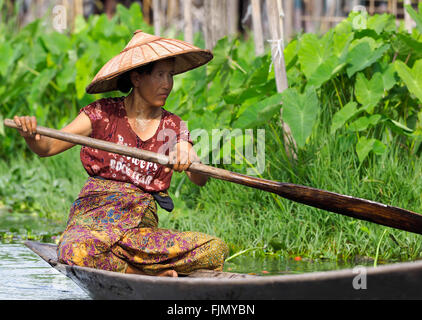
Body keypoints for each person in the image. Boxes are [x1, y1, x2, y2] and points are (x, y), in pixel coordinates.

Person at [13, 30, 229, 277]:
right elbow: (48, 147)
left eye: (170, 75)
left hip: (139, 232)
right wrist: (31, 136)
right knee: (75, 250)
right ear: (137, 78)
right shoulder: (102, 113)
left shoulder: (173, 125)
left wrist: (189, 161)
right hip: (95, 219)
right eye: (159, 75)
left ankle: (126, 262)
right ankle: (144, 274)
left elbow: (199, 177)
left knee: (215, 249)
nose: (167, 84)